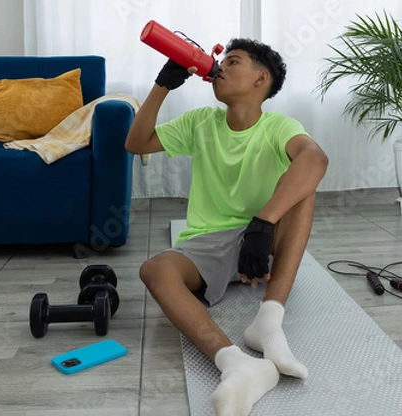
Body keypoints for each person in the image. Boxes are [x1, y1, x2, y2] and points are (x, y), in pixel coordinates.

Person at [125, 38, 328, 416]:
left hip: (262, 238)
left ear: (260, 79)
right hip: (208, 243)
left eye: (233, 62)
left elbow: (315, 158)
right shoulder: (201, 122)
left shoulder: (279, 126)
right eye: (221, 61)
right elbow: (136, 143)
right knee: (154, 270)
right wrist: (161, 86)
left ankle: (268, 321)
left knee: (305, 188)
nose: (220, 68)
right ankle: (236, 363)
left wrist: (264, 223)